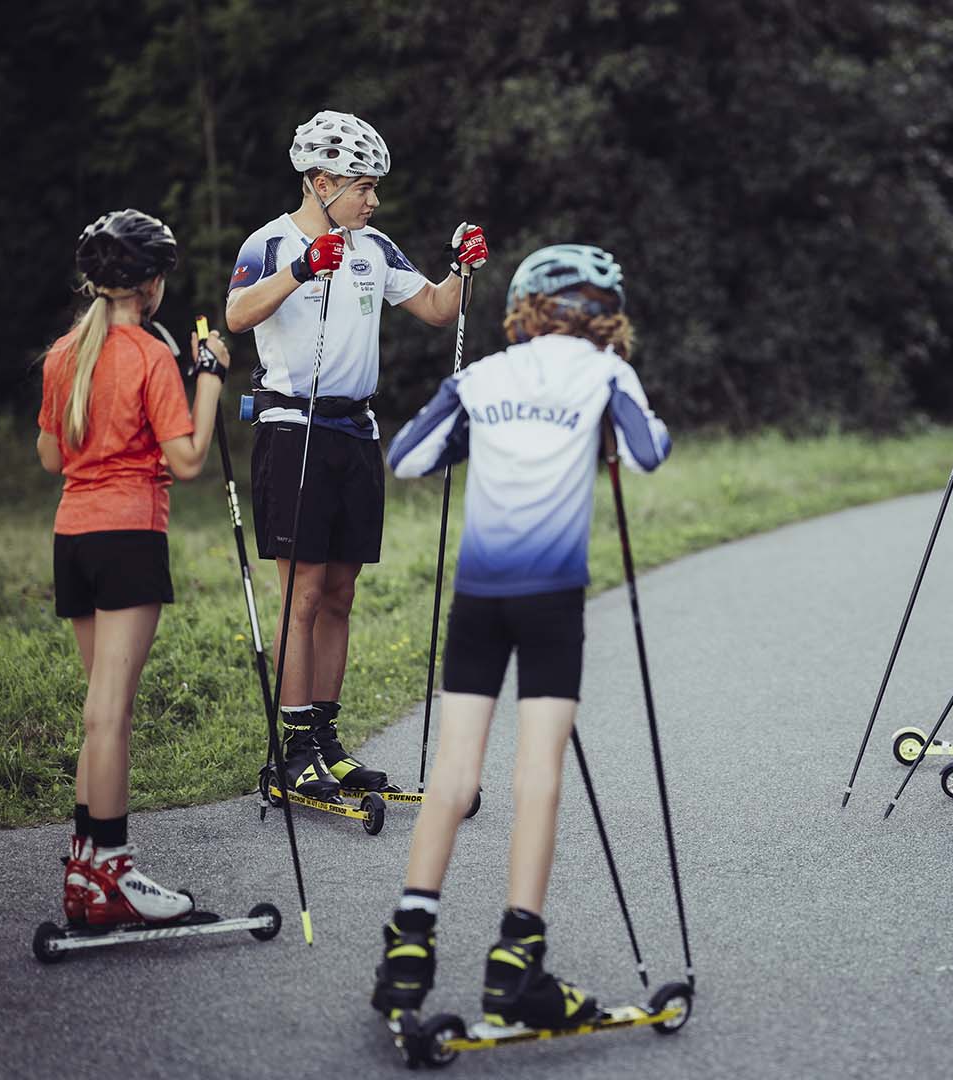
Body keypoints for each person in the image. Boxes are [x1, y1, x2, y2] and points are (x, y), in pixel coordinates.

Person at [371, 244, 671, 1028]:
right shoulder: (607, 373)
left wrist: (478, 433)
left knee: (454, 774)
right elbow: (648, 455)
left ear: (525, 305)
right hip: (550, 602)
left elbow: (406, 458)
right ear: (605, 312)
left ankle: (409, 945)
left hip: (478, 598)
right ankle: (516, 965)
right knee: (536, 775)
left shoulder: (483, 376)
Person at [225, 110, 487, 800]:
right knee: (303, 592)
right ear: (320, 182)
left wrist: (461, 268)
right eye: (363, 187)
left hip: (355, 432)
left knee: (340, 592)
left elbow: (435, 308)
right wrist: (304, 268)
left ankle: (327, 741)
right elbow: (237, 314)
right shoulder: (269, 242)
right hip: (293, 430)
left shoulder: (372, 245)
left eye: (373, 189)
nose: (373, 200)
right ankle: (292, 749)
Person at [38, 209, 228, 927]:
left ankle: (87, 874)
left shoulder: (65, 354)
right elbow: (188, 459)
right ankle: (111, 877)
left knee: (99, 713)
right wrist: (208, 377)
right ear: (149, 285)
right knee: (110, 715)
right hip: (127, 535)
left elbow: (52, 458)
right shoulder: (149, 353)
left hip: (74, 539)